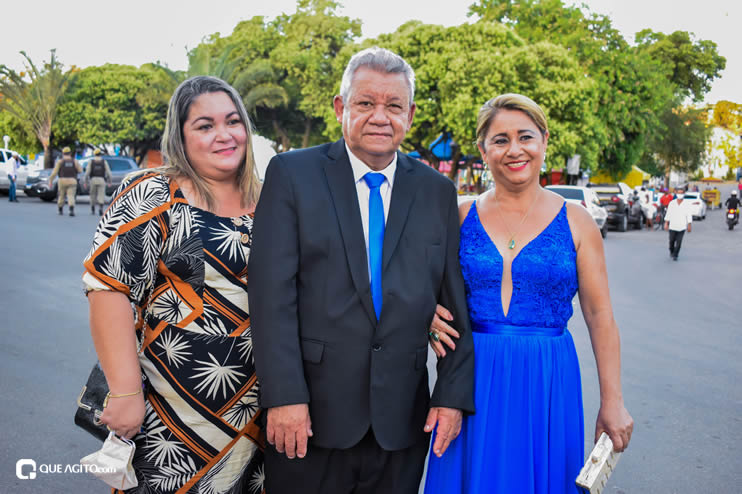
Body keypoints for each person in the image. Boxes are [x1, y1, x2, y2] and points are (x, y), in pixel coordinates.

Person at [248, 47, 475, 494]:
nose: (380, 117)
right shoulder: (293, 174)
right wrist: (285, 396)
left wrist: (451, 396)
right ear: (340, 108)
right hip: (309, 419)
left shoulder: (436, 191)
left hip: (402, 423)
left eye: (394, 106)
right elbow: (272, 295)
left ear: (410, 114)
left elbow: (453, 303)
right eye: (366, 103)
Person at [424, 93, 633, 493]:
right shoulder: (459, 215)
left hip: (547, 378)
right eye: (500, 140)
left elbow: (599, 315)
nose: (514, 149)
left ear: (544, 141)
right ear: (482, 149)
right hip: (471, 377)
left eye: (525, 137)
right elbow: (420, 284)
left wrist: (613, 400)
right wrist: (425, 314)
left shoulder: (577, 221)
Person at [82, 76, 264, 493]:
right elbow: (107, 288)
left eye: (233, 121)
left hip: (257, 414)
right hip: (172, 413)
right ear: (181, 137)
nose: (224, 135)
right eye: (205, 125)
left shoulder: (270, 199)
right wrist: (125, 392)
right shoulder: (153, 194)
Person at [48, 146, 82, 216]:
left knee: (61, 195)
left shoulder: (60, 162)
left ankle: (60, 209)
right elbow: (80, 170)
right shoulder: (75, 161)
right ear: (70, 153)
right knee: (71, 195)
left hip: (62, 180)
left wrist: (50, 181)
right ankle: (71, 210)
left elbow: (54, 173)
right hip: (72, 180)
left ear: (63, 153)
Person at [664, 187, 692, 261]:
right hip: (673, 226)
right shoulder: (672, 203)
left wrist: (689, 224)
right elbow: (668, 213)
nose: (680, 194)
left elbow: (689, 214)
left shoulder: (687, 204)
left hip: (682, 226)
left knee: (679, 242)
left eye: (681, 193)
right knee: (671, 241)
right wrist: (666, 223)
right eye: (678, 193)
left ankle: (676, 255)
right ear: (676, 193)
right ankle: (671, 251)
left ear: (684, 194)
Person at [85, 148, 111, 215]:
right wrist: (109, 180)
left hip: (93, 179)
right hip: (101, 179)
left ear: (94, 154)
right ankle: (100, 208)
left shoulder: (91, 162)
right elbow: (108, 172)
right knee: (101, 194)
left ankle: (93, 208)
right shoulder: (104, 161)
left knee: (92, 194)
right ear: (100, 154)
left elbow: (87, 172)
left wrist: (86, 180)